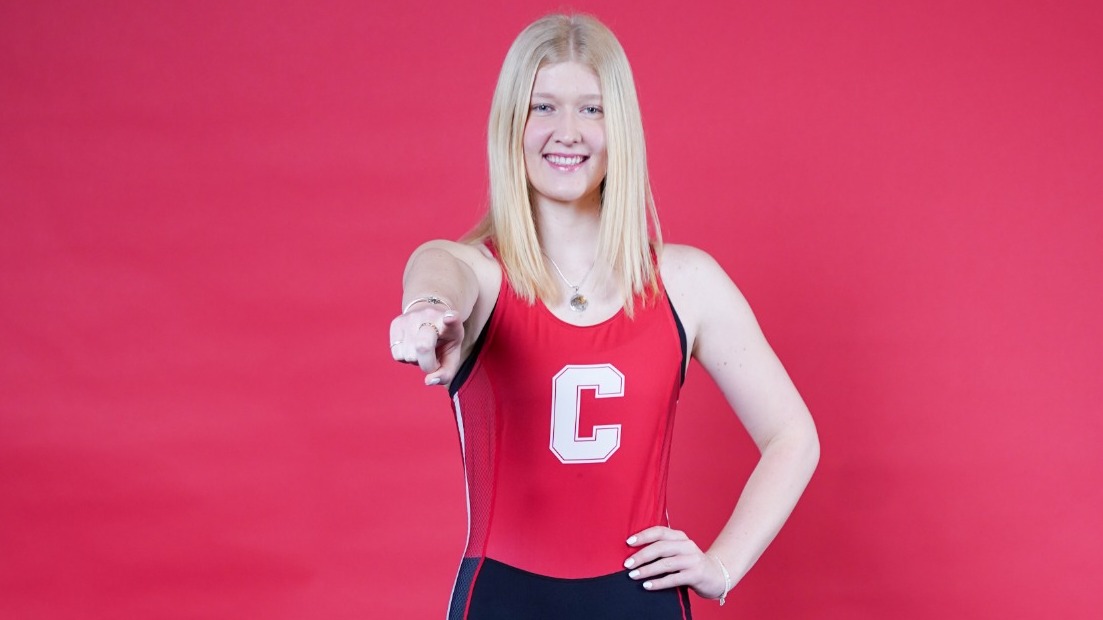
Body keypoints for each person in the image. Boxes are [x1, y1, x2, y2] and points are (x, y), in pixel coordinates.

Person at [389, 13, 819, 619]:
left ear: (621, 129)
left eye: (591, 110)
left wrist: (721, 567)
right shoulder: (480, 275)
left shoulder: (686, 282)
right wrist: (425, 310)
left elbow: (793, 437)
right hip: (503, 602)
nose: (568, 132)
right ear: (511, 123)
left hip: (638, 603)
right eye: (544, 107)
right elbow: (435, 267)